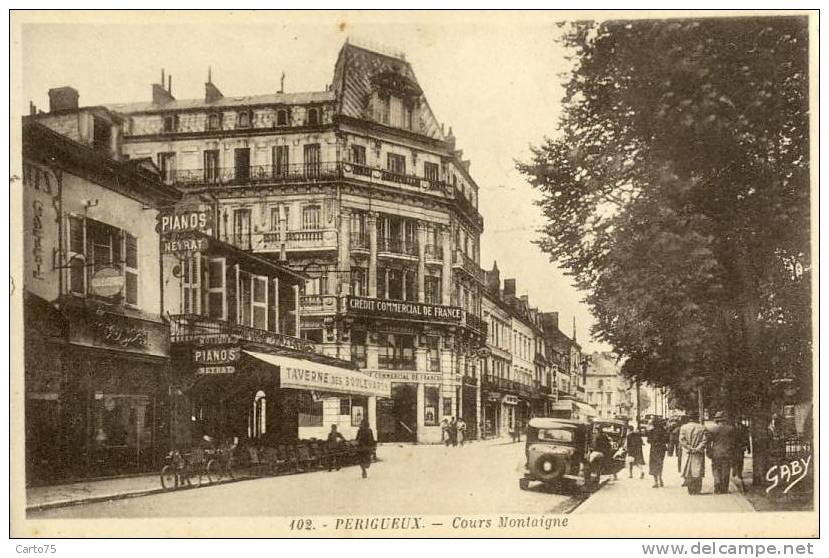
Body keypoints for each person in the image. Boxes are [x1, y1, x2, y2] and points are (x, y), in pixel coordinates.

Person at [706, 411, 737, 494]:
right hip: (727, 452)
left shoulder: (712, 429)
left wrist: (708, 452)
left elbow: (708, 442)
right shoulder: (731, 429)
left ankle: (717, 483)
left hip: (716, 452)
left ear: (717, 420)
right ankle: (724, 488)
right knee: (726, 470)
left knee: (716, 469)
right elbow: (734, 442)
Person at [679, 411, 708, 495]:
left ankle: (690, 490)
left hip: (688, 452)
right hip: (698, 452)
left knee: (688, 471)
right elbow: (705, 440)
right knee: (698, 471)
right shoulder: (702, 427)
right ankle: (697, 490)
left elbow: (682, 440)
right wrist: (697, 448)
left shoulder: (684, 427)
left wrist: (690, 448)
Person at [647, 419, 669, 488]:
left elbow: (648, 441)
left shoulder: (651, 431)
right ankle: (660, 479)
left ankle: (655, 482)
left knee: (653, 464)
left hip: (654, 449)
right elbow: (667, 440)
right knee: (660, 463)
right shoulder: (663, 430)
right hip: (662, 449)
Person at [731, 419, 750, 492]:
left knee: (740, 460)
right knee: (735, 460)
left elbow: (747, 438)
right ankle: (735, 472)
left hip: (740, 447)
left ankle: (738, 473)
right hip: (735, 447)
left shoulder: (743, 428)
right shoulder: (732, 428)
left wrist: (748, 448)